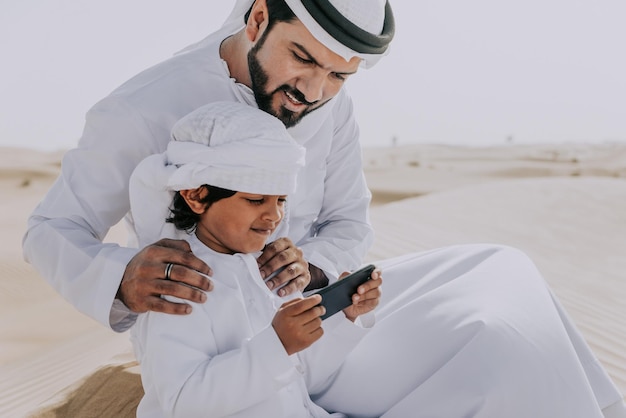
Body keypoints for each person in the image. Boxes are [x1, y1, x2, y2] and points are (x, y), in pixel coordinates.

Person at [23, 0, 625, 416]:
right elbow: (51, 230)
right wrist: (123, 280)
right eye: (304, 59)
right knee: (494, 351)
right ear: (257, 16)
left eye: (340, 75)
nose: (314, 92)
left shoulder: (331, 108)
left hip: (319, 317)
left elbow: (349, 224)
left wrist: (312, 270)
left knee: (499, 271)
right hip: (222, 345)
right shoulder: (142, 108)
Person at [129, 101, 382, 417]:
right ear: (195, 196)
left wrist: (346, 315)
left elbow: (301, 376)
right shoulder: (177, 286)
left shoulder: (267, 269)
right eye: (255, 199)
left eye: (281, 200)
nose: (274, 215)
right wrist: (277, 345)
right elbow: (183, 402)